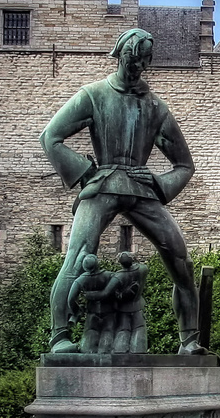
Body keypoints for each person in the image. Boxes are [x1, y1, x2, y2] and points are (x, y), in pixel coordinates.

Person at [42, 28, 202, 355]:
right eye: (133, 59)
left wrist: (157, 183)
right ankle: (59, 337)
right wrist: (85, 172)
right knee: (76, 255)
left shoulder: (156, 108)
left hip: (141, 189)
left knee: (180, 258)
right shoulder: (94, 95)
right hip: (103, 184)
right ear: (121, 55)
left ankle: (189, 341)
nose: (137, 67)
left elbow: (185, 164)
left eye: (143, 62)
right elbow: (51, 137)